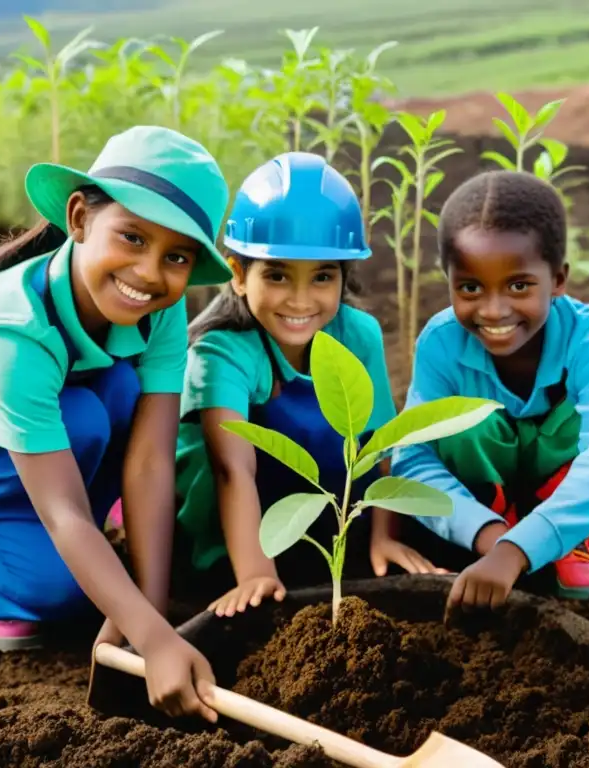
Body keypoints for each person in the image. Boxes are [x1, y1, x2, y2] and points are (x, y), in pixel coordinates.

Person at [0, 125, 229, 722]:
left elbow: (153, 459)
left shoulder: (161, 307)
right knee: (60, 593)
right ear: (79, 218)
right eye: (131, 237)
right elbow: (64, 513)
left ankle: (28, 540)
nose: (150, 273)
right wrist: (154, 642)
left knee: (113, 397)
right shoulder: (8, 331)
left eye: (176, 256)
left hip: (30, 445)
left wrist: (150, 613)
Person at [391, 169, 589, 612]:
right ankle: (503, 522)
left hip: (559, 465)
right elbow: (413, 460)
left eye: (519, 285)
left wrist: (518, 551)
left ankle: (563, 537)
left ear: (558, 279)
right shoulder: (441, 342)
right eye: (470, 288)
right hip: (486, 489)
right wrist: (490, 537)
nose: (494, 309)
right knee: (451, 426)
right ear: (448, 280)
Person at [174, 151, 443, 618]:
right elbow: (232, 470)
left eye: (322, 277)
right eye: (277, 275)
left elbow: (377, 446)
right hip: (227, 542)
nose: (300, 300)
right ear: (238, 274)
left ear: (344, 275)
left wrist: (383, 536)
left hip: (320, 529)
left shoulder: (358, 334)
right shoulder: (221, 351)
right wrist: (256, 574)